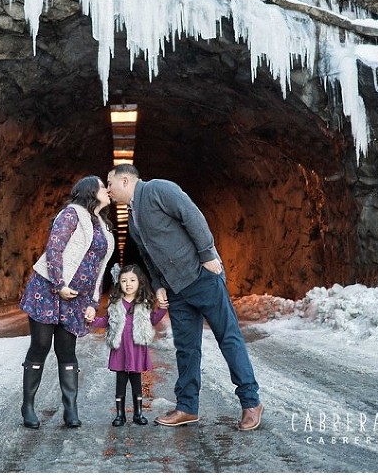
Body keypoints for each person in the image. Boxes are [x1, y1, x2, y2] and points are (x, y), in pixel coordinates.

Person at [105, 163, 263, 431]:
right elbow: (147, 256)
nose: (107, 190)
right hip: (176, 290)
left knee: (229, 337)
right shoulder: (133, 220)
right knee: (187, 350)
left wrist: (207, 254)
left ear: (124, 181)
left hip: (202, 278)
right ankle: (187, 407)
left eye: (109, 184)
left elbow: (192, 215)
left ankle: (250, 402)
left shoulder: (158, 189)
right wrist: (158, 285)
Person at [18, 175, 115, 429]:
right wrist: (60, 284)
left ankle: (70, 409)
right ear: (90, 192)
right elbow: (54, 249)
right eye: (103, 187)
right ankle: (28, 406)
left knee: (67, 350)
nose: (108, 190)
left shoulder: (104, 227)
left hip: (76, 298)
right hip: (49, 289)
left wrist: (93, 301)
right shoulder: (71, 214)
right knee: (40, 346)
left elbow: (99, 269)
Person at [88, 263, 168, 426]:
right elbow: (106, 321)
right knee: (121, 382)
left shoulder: (144, 303)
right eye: (124, 281)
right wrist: (92, 321)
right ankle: (120, 414)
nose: (128, 284)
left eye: (132, 280)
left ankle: (138, 413)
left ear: (139, 282)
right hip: (121, 349)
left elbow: (152, 320)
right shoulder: (115, 303)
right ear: (119, 283)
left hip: (137, 349)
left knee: (136, 382)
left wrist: (161, 309)